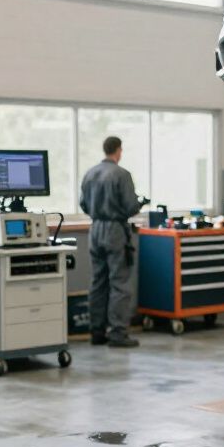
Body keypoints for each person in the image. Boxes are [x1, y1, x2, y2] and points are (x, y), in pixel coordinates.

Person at [79, 136, 146, 349]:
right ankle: (118, 333)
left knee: (98, 281)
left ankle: (96, 331)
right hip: (115, 230)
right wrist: (140, 203)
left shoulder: (90, 173)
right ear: (118, 150)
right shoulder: (121, 174)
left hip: (95, 229)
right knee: (120, 282)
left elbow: (83, 204)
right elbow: (129, 207)